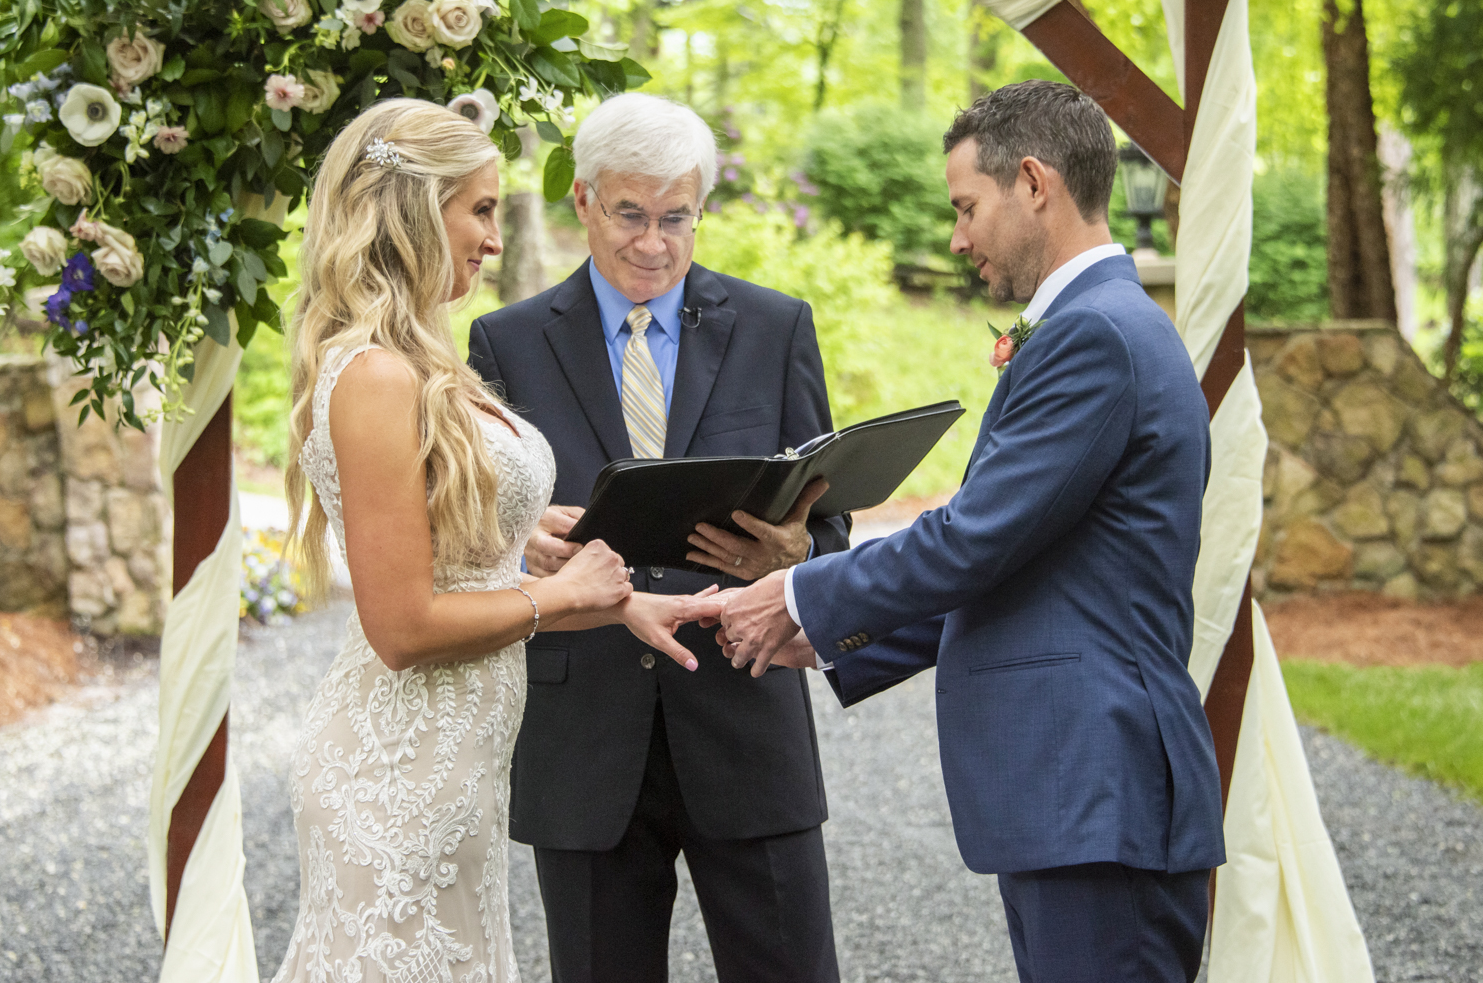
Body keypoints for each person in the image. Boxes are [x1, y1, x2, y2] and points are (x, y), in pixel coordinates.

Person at [716, 80, 1227, 983]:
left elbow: (973, 537)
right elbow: (1029, 560)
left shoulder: (1095, 336)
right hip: (1075, 793)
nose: (957, 239)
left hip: (1097, 783)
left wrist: (802, 590)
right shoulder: (1095, 324)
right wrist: (835, 639)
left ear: (1033, 181)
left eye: (966, 208)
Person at [272, 98, 721, 983]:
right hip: (395, 766)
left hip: (460, 769)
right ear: (411, 211)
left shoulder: (425, 362)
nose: (491, 237)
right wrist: (561, 592)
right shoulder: (373, 376)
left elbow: (467, 577)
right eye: (478, 209)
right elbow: (403, 628)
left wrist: (615, 600)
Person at [467, 93, 847, 983]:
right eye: (631, 215)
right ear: (585, 203)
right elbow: (478, 535)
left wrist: (795, 553)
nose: (653, 243)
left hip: (747, 720)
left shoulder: (776, 326)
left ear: (701, 208)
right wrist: (525, 550)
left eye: (676, 217)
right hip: (584, 736)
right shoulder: (506, 344)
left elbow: (828, 522)